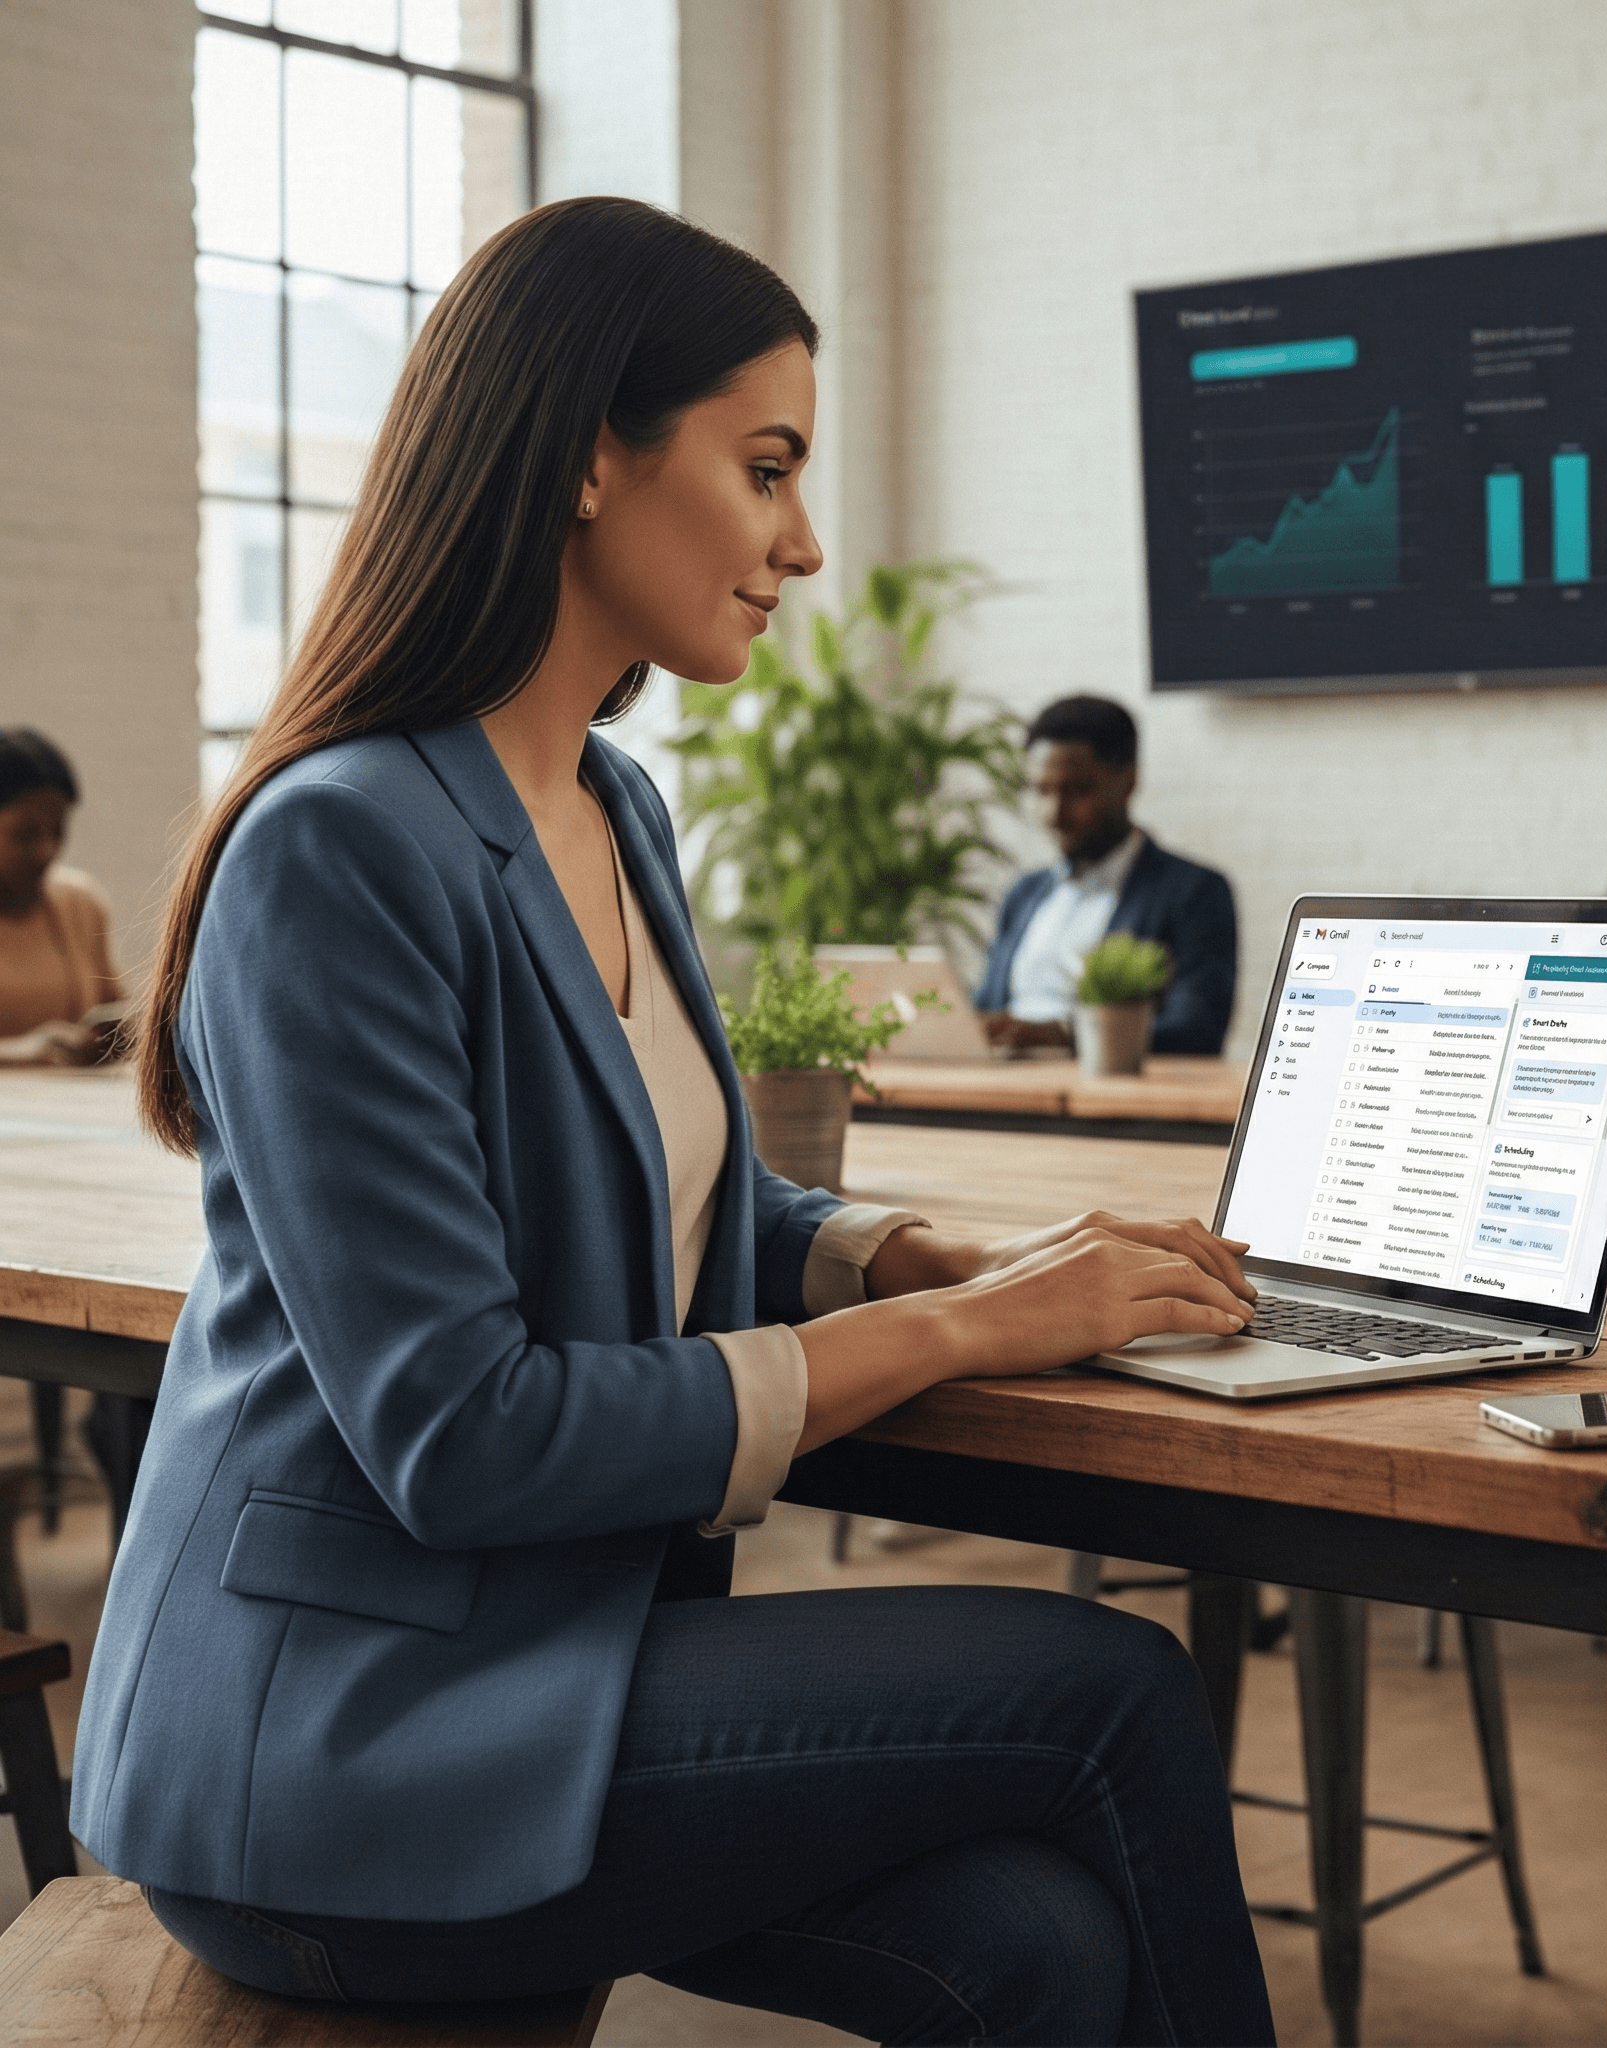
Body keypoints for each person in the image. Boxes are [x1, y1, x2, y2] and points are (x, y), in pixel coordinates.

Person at [70, 199, 1275, 2047]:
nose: (801, 541)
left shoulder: (610, 807)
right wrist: (959, 1329)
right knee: (1112, 1689)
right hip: (330, 1742)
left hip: (543, 1662)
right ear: (579, 458)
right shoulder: (337, 844)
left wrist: (907, 1250)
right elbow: (460, 1432)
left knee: (1032, 1940)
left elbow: (643, 1188)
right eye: (766, 466)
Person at [977, 696, 1238, 1055]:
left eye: (1077, 790)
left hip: (1108, 1096)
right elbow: (985, 1011)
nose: (1054, 813)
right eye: (1042, 790)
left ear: (1128, 781)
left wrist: (1063, 1035)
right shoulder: (1024, 893)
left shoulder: (1192, 893)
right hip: (1000, 1089)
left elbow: (1196, 1031)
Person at [0, 729, 124, 1065]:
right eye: (26, 834)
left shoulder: (80, 905)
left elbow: (117, 1015)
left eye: (58, 831)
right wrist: (16, 1052)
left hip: (67, 1111)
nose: (47, 850)